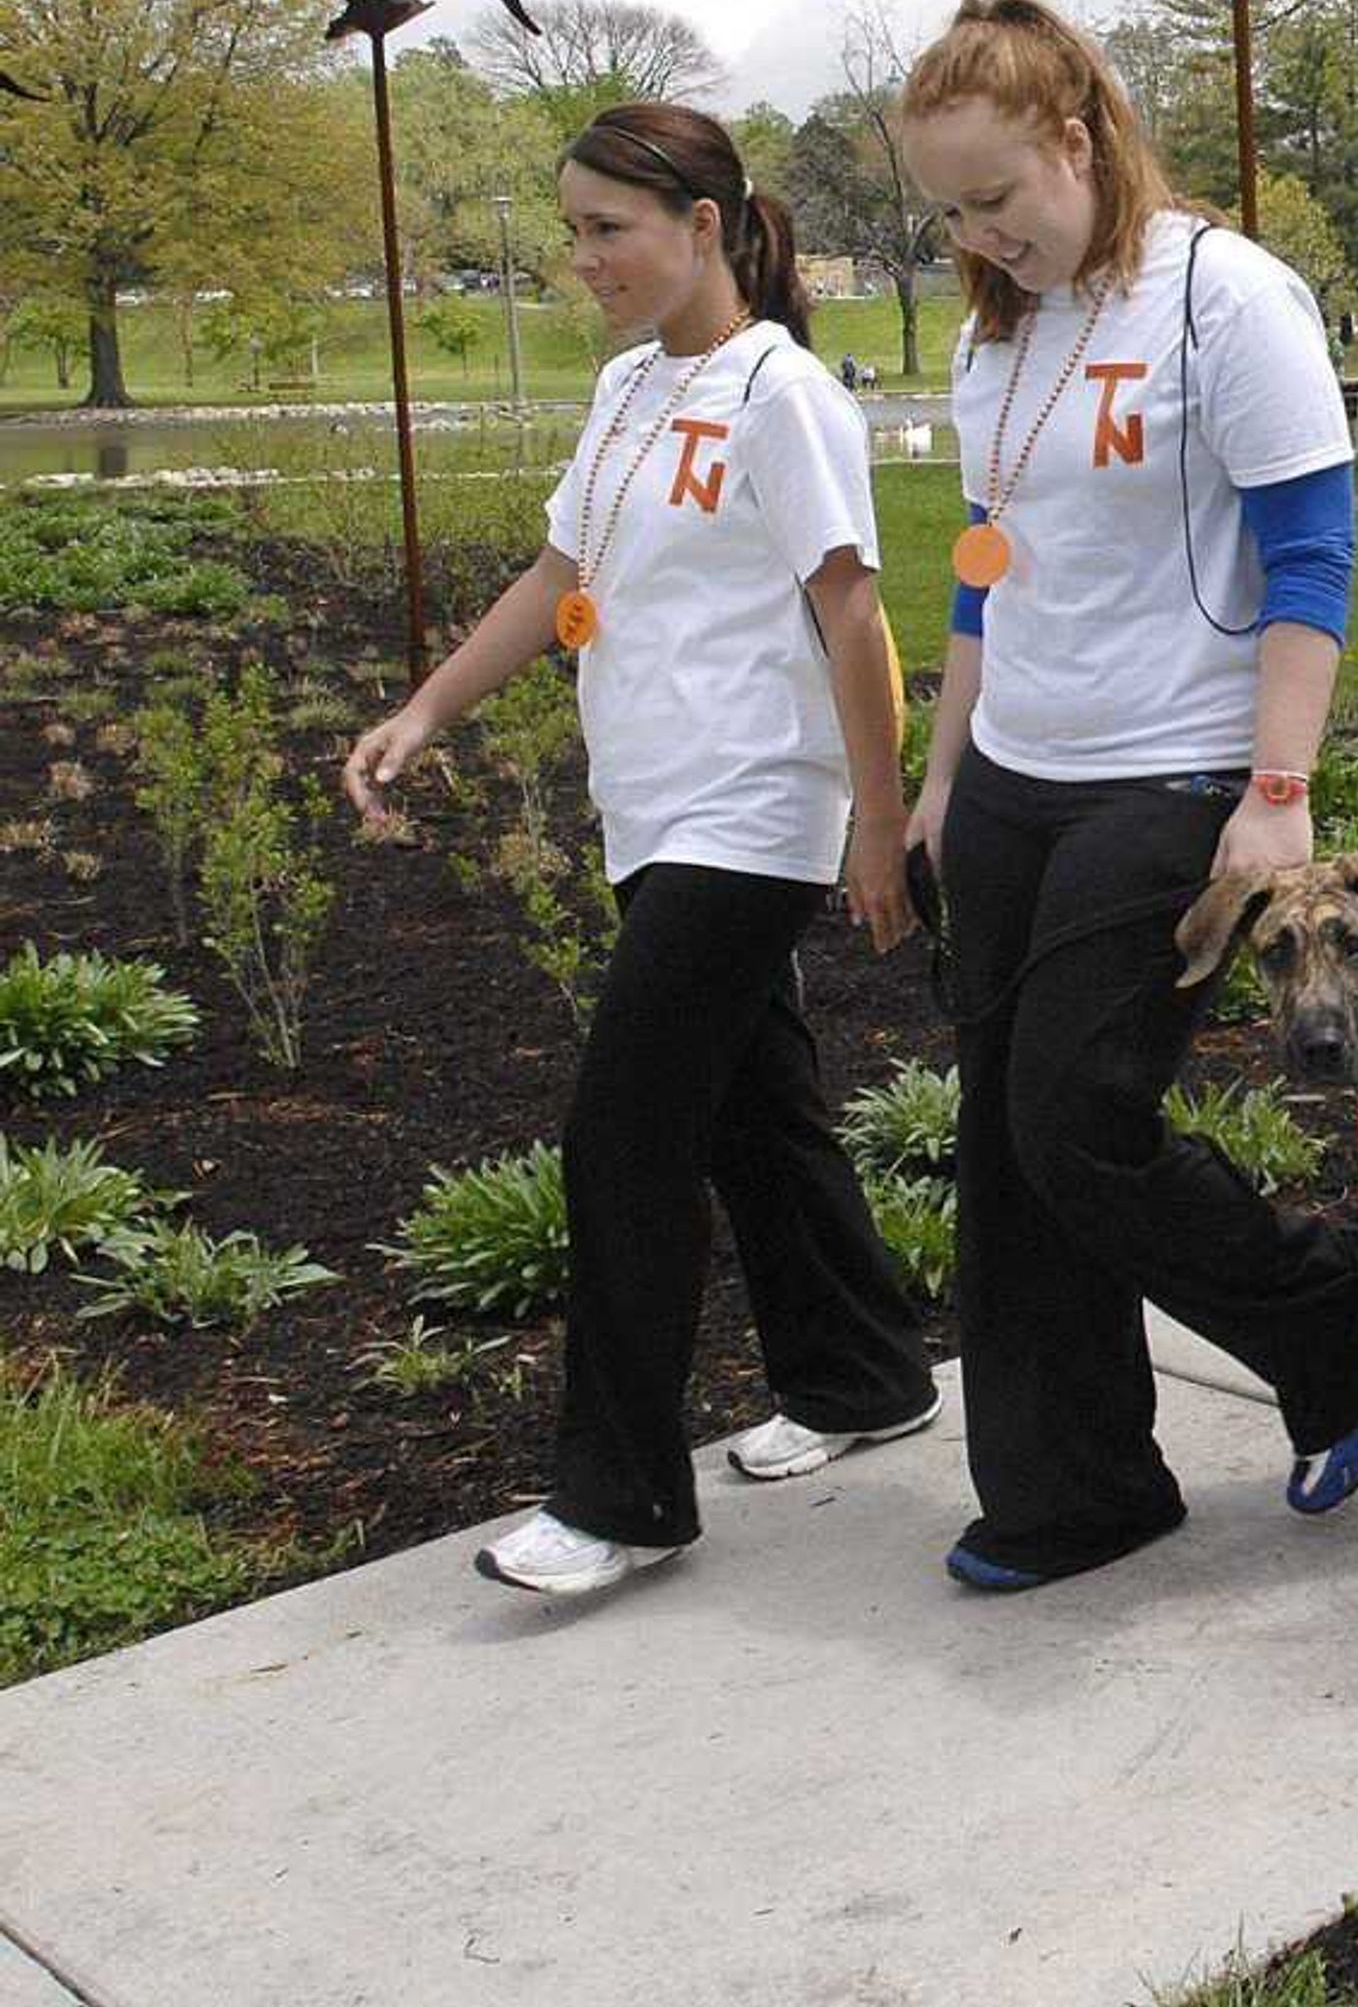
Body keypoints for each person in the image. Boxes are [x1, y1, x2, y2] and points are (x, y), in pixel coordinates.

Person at [342, 103, 939, 1600]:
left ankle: (619, 1495)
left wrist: (878, 819)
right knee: (757, 1112)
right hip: (653, 804)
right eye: (576, 229)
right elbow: (564, 572)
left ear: (705, 225)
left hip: (751, 813)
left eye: (610, 228)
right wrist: (427, 710)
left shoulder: (782, 398)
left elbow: (853, 614)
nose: (586, 258)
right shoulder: (624, 391)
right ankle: (865, 1372)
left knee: (625, 1134)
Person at [896, 0, 1358, 1592]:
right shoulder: (999, 333)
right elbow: (988, 573)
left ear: (1077, 137)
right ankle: (1074, 1490)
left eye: (998, 197)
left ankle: (1325, 1306)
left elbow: (1313, 552)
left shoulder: (1224, 298)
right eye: (949, 209)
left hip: (1178, 769)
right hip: (1015, 781)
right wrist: (941, 766)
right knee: (1006, 1147)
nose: (978, 233)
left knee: (1077, 1117)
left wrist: (1279, 788)